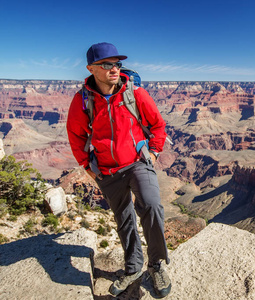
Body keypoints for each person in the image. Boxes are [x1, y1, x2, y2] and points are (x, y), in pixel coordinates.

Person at [66, 42, 171, 298]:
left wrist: (154, 153)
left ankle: (156, 264)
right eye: (107, 64)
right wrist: (87, 168)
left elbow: (158, 125)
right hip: (106, 169)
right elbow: (75, 135)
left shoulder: (135, 94)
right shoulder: (82, 100)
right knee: (124, 220)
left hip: (137, 162)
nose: (114, 69)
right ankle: (133, 267)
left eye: (117, 63)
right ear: (91, 68)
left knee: (152, 205)